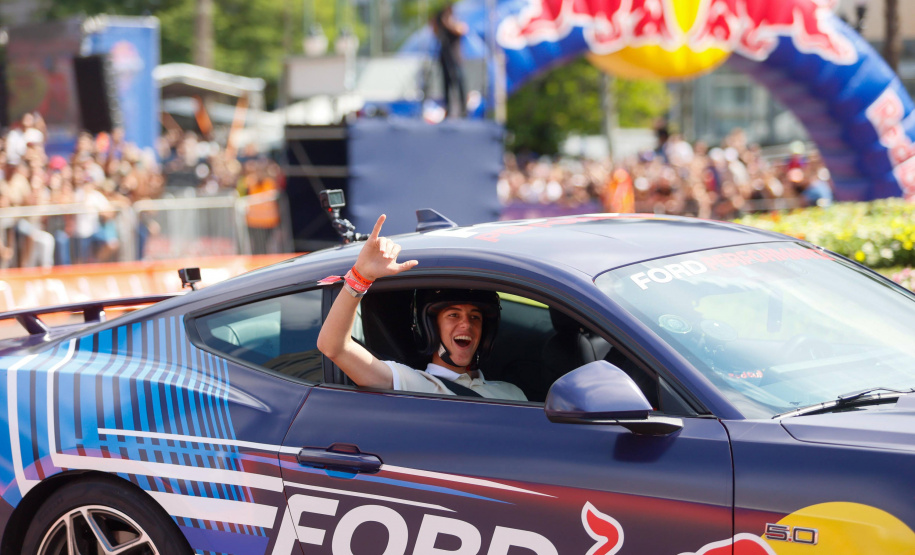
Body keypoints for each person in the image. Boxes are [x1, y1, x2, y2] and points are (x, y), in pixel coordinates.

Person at [317, 215, 526, 400]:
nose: (466, 324)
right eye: (453, 315)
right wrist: (361, 277)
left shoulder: (511, 393)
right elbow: (334, 347)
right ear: (431, 327)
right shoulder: (414, 384)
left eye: (475, 317)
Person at [432, 3, 468, 117]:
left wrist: (447, 22)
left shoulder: (456, 19)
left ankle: (463, 110)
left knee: (459, 82)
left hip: (456, 58)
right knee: (446, 84)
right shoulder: (441, 22)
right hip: (444, 57)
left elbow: (462, 30)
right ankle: (448, 109)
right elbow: (435, 33)